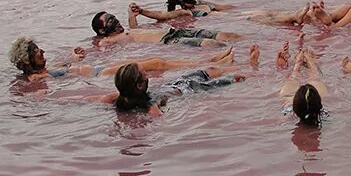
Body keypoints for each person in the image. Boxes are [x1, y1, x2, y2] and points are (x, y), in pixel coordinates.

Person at [8, 36, 233, 83]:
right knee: (156, 64)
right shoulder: (35, 78)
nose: (43, 52)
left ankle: (210, 62)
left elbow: (66, 68)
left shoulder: (43, 71)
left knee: (156, 61)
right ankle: (211, 64)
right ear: (27, 61)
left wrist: (74, 58)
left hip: (99, 69)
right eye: (38, 52)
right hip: (100, 74)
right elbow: (39, 90)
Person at [103, 62, 245, 114]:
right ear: (140, 85)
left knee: (207, 70)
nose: (148, 75)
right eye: (145, 73)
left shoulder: (116, 97)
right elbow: (161, 119)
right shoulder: (150, 106)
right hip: (190, 90)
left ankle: (239, 64)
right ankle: (251, 68)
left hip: (173, 85)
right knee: (234, 78)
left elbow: (87, 99)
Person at [91, 10, 241, 47]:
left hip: (176, 32)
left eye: (114, 16)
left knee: (225, 35)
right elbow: (99, 49)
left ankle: (250, 41)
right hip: (170, 40)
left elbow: (134, 30)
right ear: (102, 31)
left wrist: (133, 15)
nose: (115, 19)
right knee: (209, 43)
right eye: (110, 20)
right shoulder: (107, 41)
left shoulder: (128, 32)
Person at [277, 43, 327, 127]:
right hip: (306, 107)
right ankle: (311, 64)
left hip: (290, 107)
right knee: (316, 82)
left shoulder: (287, 117)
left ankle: (297, 66)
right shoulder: (323, 114)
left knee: (287, 94)